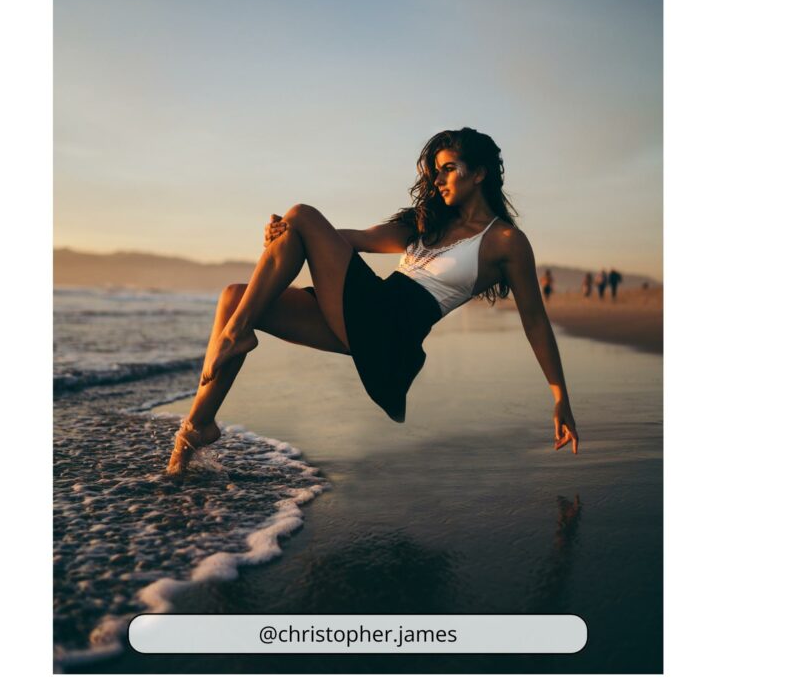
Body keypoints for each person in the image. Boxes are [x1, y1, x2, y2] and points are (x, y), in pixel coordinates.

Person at [166, 128, 579, 474]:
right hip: (368, 312)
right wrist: (286, 234)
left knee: (301, 215)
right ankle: (196, 430)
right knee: (235, 295)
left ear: (480, 174)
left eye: (449, 169)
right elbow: (351, 240)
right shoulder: (425, 223)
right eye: (436, 172)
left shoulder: (505, 242)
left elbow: (536, 322)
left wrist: (559, 397)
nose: (439, 180)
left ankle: (237, 334)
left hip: (391, 330)